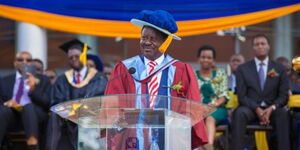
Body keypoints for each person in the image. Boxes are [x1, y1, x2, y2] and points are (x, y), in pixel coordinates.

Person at [105, 10, 208, 149]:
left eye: (152, 39)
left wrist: (183, 130)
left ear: (165, 41)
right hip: (133, 138)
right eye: (143, 38)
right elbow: (113, 104)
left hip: (171, 137)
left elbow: (192, 107)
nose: (146, 42)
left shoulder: (181, 70)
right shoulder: (125, 69)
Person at [231, 34, 290, 150]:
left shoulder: (279, 68)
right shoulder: (243, 69)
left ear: (268, 46)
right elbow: (241, 96)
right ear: (253, 48)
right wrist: (257, 108)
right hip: (250, 109)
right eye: (257, 44)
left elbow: (283, 95)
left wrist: (271, 108)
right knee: (239, 113)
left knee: (283, 113)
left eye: (263, 44)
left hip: (272, 108)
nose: (260, 46)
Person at [46, 39, 107, 150]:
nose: (74, 59)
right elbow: (56, 100)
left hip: (89, 115)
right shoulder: (62, 79)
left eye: (77, 56)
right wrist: (68, 110)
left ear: (84, 56)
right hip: (67, 117)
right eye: (71, 57)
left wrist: (81, 108)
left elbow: (98, 97)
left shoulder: (98, 77)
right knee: (54, 115)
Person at [0, 51, 51, 150]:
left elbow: (47, 103)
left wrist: (33, 90)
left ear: (32, 63)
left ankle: (32, 144)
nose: (24, 62)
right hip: (12, 117)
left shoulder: (43, 79)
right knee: (4, 110)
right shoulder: (5, 81)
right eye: (20, 60)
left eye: (28, 60)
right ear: (15, 63)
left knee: (28, 106)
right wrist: (7, 103)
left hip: (34, 116)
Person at [195, 45, 229, 150]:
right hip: (198, 108)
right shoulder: (192, 74)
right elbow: (190, 95)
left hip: (218, 108)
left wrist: (214, 104)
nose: (206, 59)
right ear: (198, 59)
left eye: (209, 57)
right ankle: (200, 147)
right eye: (203, 57)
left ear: (213, 60)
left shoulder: (220, 74)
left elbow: (224, 95)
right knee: (197, 119)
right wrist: (201, 107)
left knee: (210, 118)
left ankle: (209, 147)